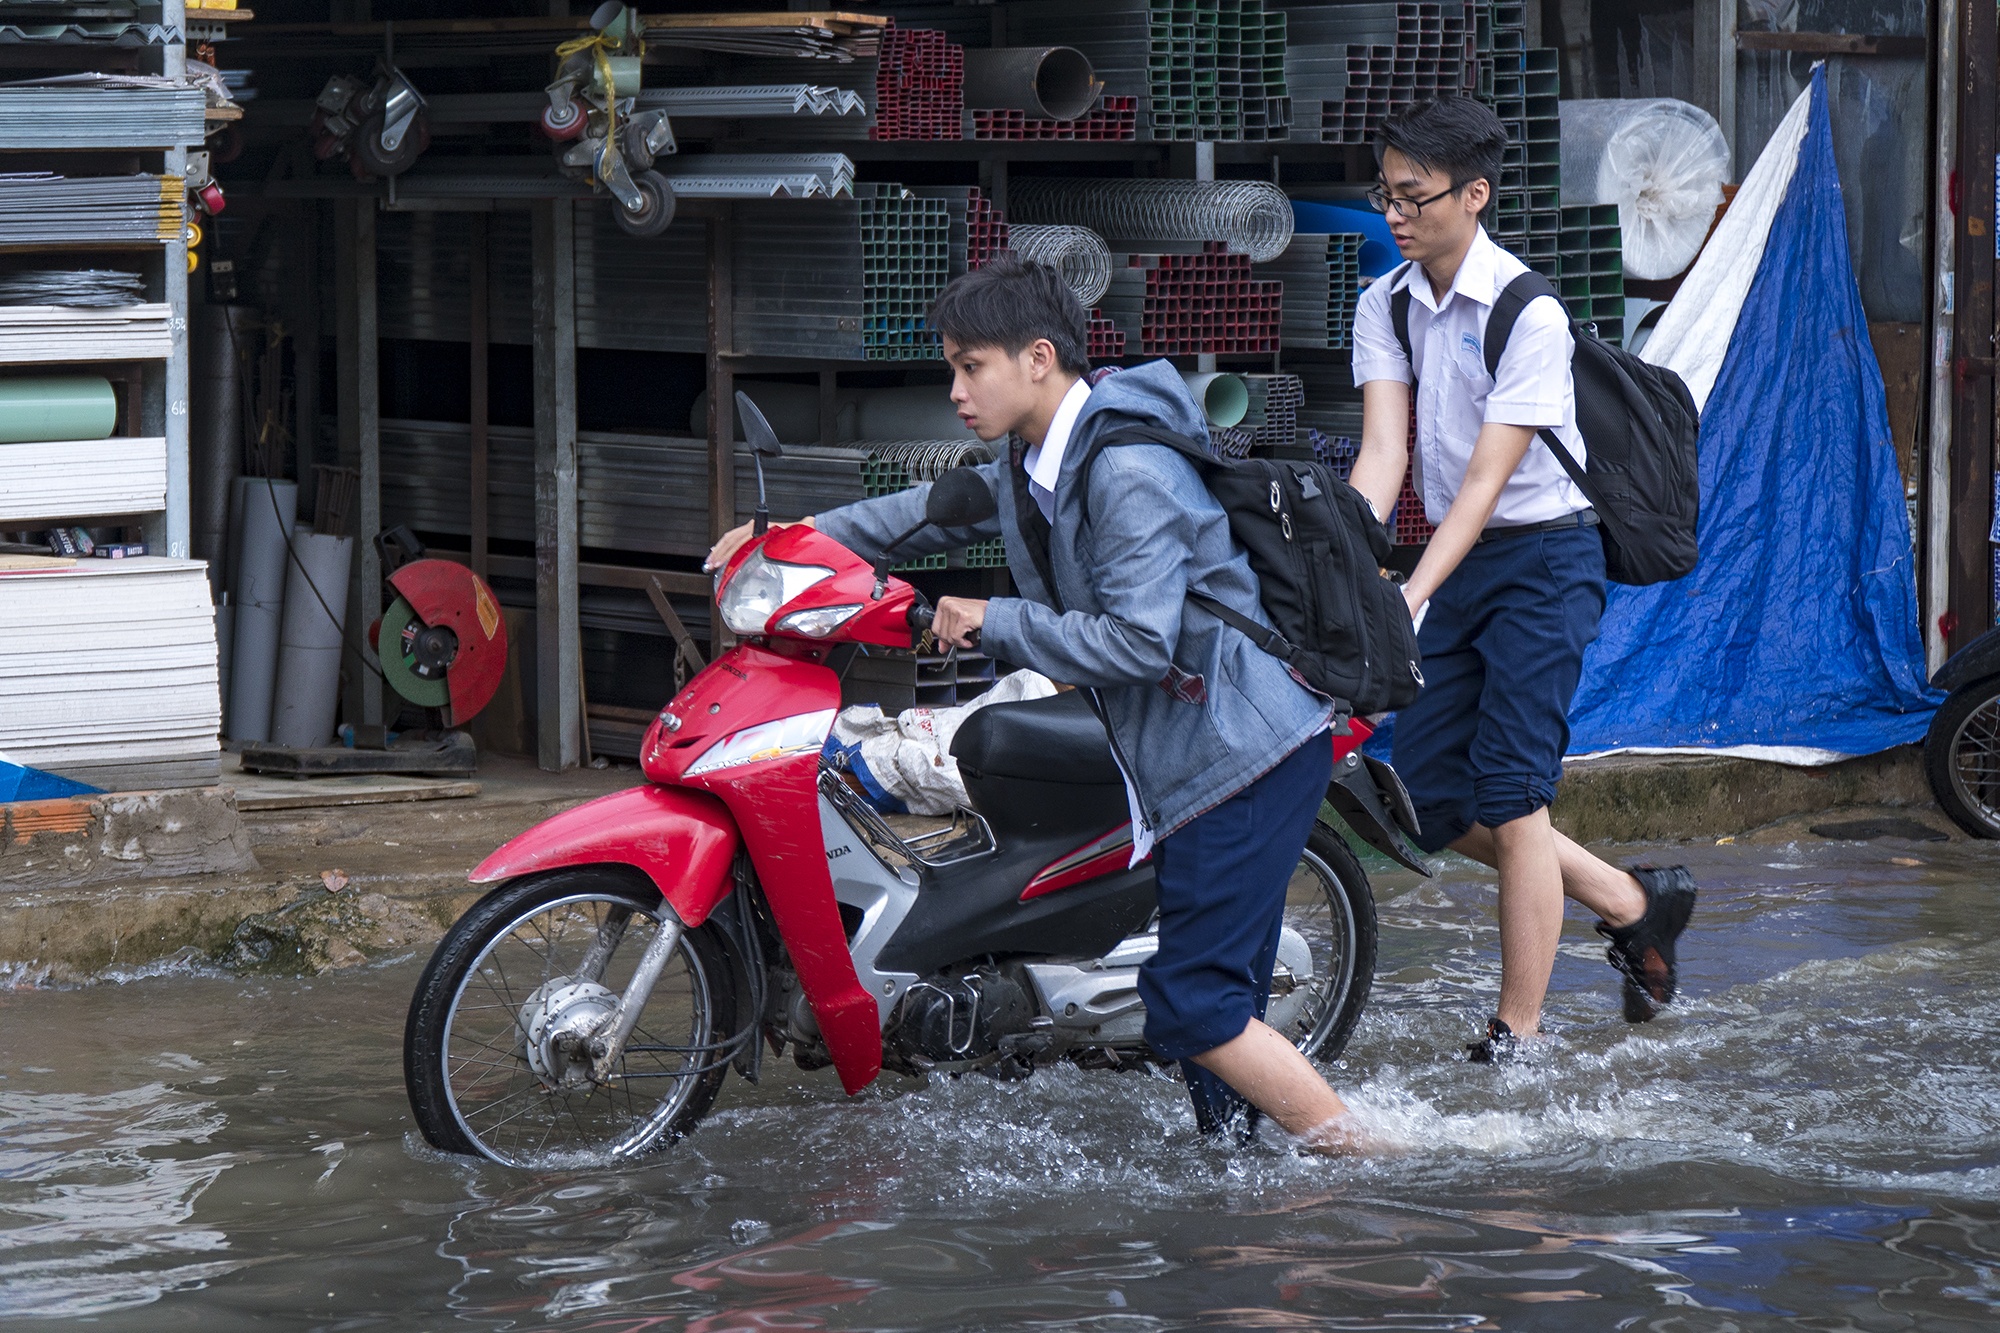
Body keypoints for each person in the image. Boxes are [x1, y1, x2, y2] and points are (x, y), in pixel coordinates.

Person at [706, 256, 1360, 1146]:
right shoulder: (1034, 462)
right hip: (1186, 752)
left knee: (1197, 1009)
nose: (956, 391)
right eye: (953, 368)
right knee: (1214, 1004)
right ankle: (1241, 1186)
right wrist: (790, 539)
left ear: (1039, 357)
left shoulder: (1127, 470)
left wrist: (994, 617)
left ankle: (1365, 1159)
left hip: (1241, 754)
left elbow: (1140, 641)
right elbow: (922, 513)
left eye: (971, 367)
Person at [1346, 97, 1696, 1061]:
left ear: (1475, 195)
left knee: (1511, 792)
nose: (1396, 215)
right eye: (1386, 193)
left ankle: (1520, 1031)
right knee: (1416, 795)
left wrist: (1410, 594)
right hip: (1460, 564)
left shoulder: (1527, 309)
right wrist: (1344, 556)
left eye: (1413, 196)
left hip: (1546, 559)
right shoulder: (1386, 303)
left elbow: (1484, 485)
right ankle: (1635, 901)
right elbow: (1384, 454)